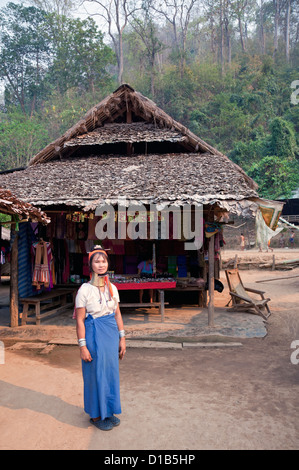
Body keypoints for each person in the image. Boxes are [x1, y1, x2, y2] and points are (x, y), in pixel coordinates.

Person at [75, 248, 126, 431]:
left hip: (111, 334)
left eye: (103, 261)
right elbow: (80, 320)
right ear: (90, 265)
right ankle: (96, 416)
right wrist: (83, 346)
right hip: (94, 334)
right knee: (95, 374)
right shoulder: (84, 290)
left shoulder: (112, 288)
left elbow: (117, 314)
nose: (101, 264)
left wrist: (122, 339)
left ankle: (109, 411)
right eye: (97, 261)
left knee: (110, 373)